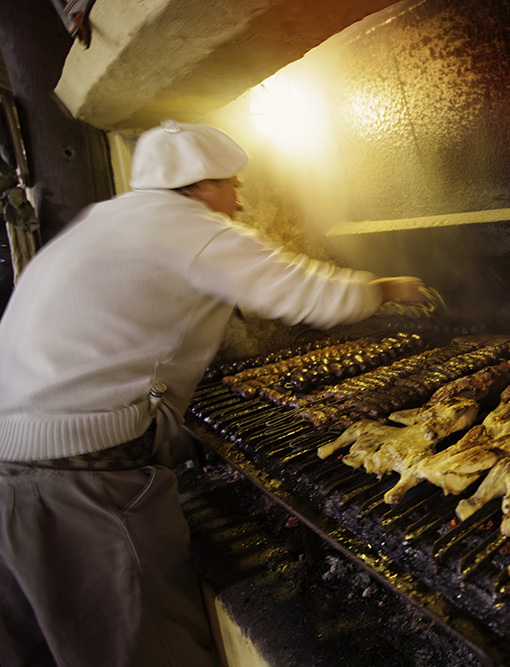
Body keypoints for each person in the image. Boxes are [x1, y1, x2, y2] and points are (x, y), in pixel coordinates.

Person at [0, 121, 429, 667]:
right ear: (200, 186)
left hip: (13, 473)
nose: (240, 201)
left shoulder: (106, 220)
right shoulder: (186, 227)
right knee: (148, 649)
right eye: (233, 185)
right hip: (80, 488)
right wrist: (388, 287)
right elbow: (307, 293)